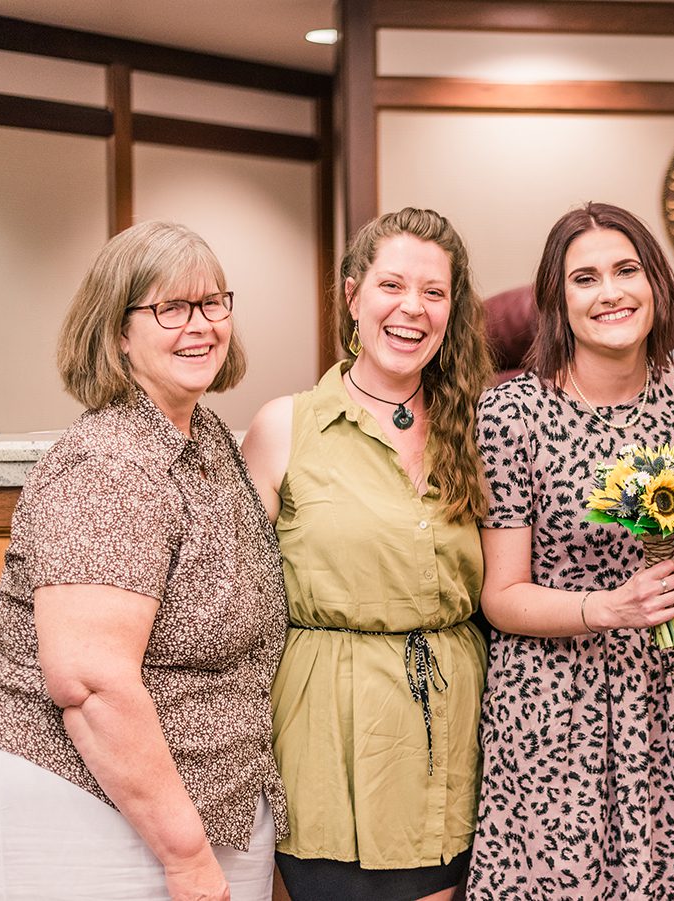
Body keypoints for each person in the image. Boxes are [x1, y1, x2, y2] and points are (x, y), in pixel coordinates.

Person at [0, 221, 287, 901]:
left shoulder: (204, 437)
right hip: (79, 810)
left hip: (163, 815)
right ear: (117, 331)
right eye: (170, 307)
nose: (201, 324)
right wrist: (187, 855)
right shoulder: (109, 463)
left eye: (214, 302)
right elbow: (93, 685)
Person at [467, 202, 674, 900]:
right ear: (558, 300)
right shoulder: (512, 412)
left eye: (626, 270)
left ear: (656, 283)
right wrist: (609, 605)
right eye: (584, 278)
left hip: (663, 696)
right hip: (554, 704)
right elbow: (502, 595)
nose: (610, 291)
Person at [242, 208, 493, 901]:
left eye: (434, 292)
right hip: (329, 736)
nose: (412, 308)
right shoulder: (285, 426)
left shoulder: (478, 427)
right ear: (353, 296)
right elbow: (233, 602)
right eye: (391, 285)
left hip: (455, 732)